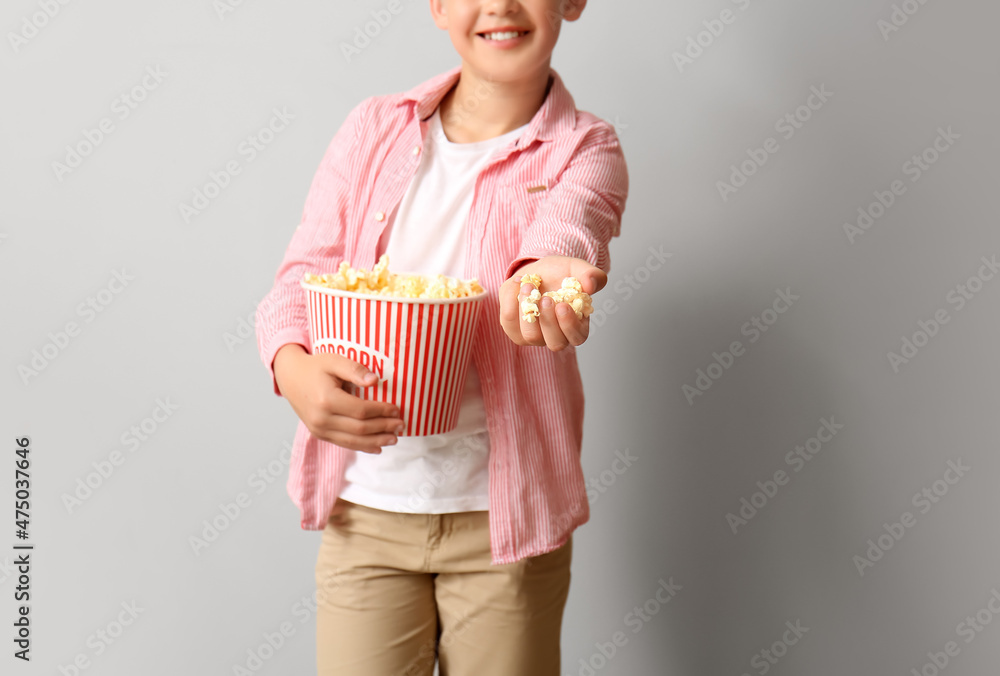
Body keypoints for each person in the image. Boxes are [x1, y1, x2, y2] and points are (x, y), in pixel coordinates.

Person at [254, 0, 628, 673]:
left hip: (506, 523)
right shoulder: (374, 129)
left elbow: (569, 228)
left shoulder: (586, 147)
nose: (501, 6)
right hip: (366, 510)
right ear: (437, 6)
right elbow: (300, 278)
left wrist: (543, 280)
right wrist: (291, 368)